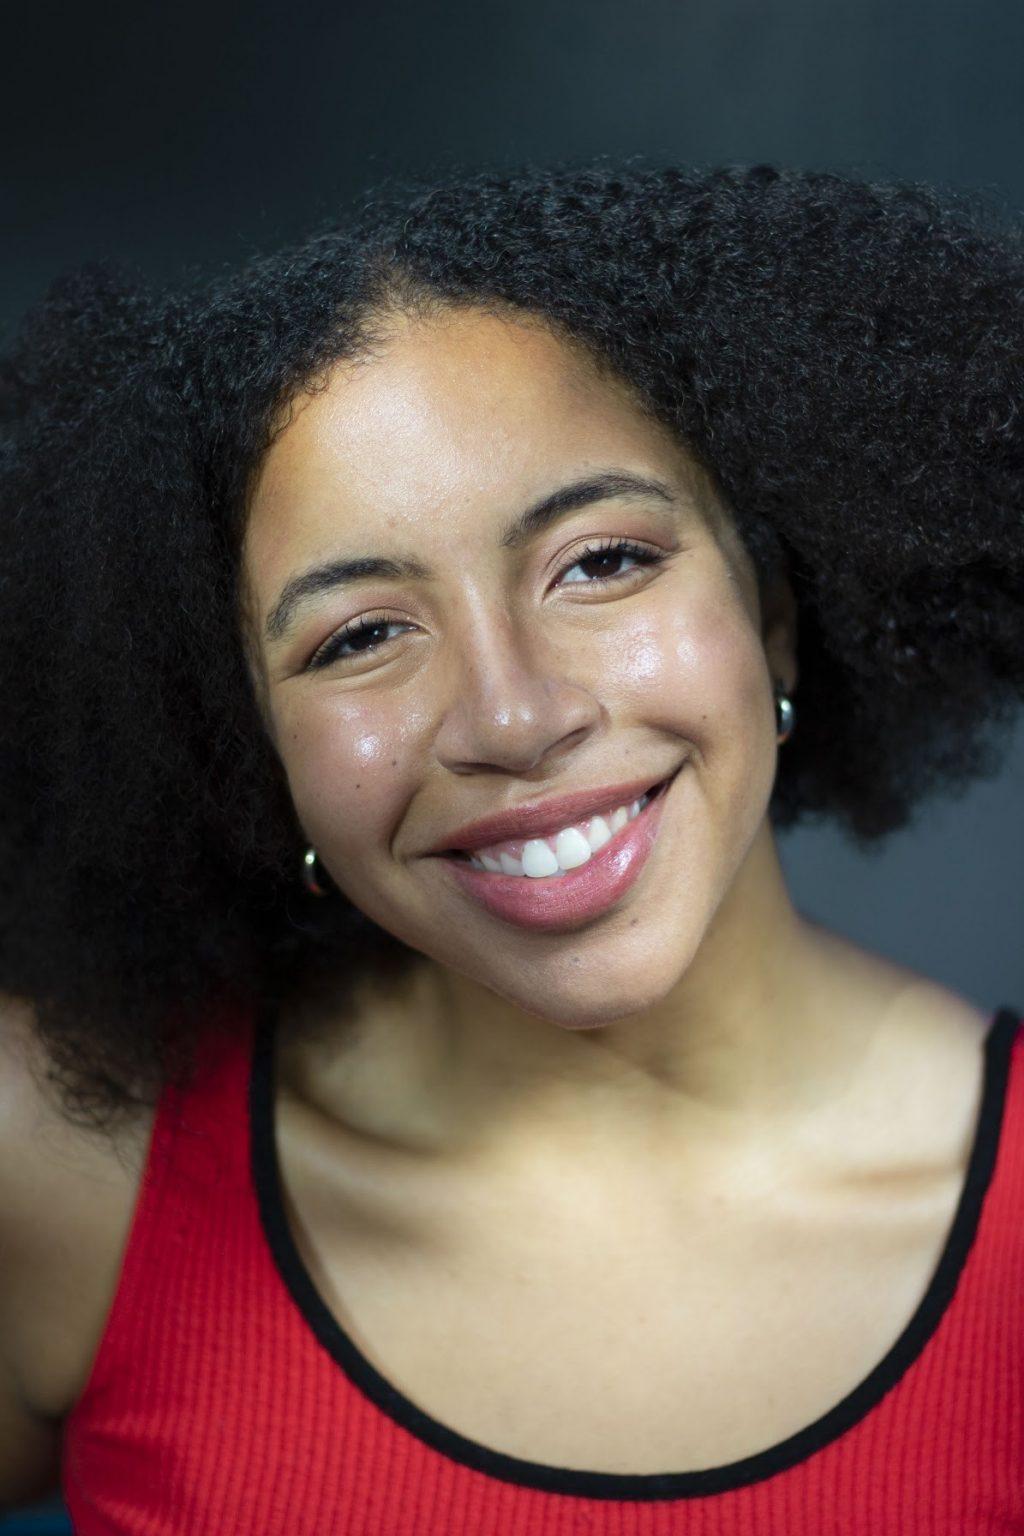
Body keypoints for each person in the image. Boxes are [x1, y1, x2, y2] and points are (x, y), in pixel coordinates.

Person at [1, 156, 1022, 1531]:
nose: (514, 716)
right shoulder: (65, 1166)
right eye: (359, 637)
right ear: (251, 753)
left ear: (773, 613)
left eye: (601, 561)